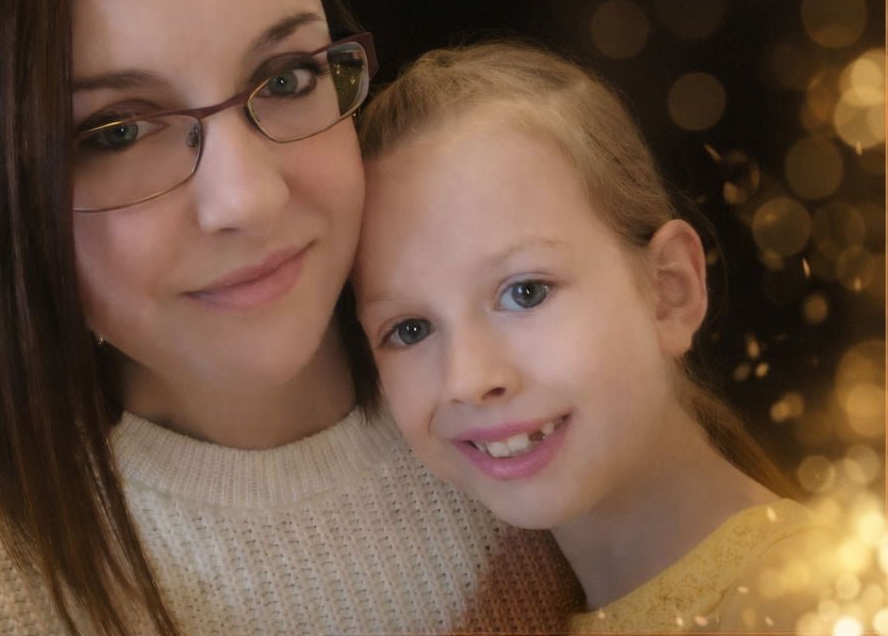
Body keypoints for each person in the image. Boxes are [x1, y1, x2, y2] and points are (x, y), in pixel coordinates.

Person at [0, 0, 575, 636]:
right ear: (7, 192)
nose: (244, 198)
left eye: (286, 78)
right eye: (116, 131)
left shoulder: (553, 418)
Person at [354, 40, 851, 634]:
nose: (469, 378)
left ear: (669, 291)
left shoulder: (812, 607)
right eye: (410, 329)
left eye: (526, 292)